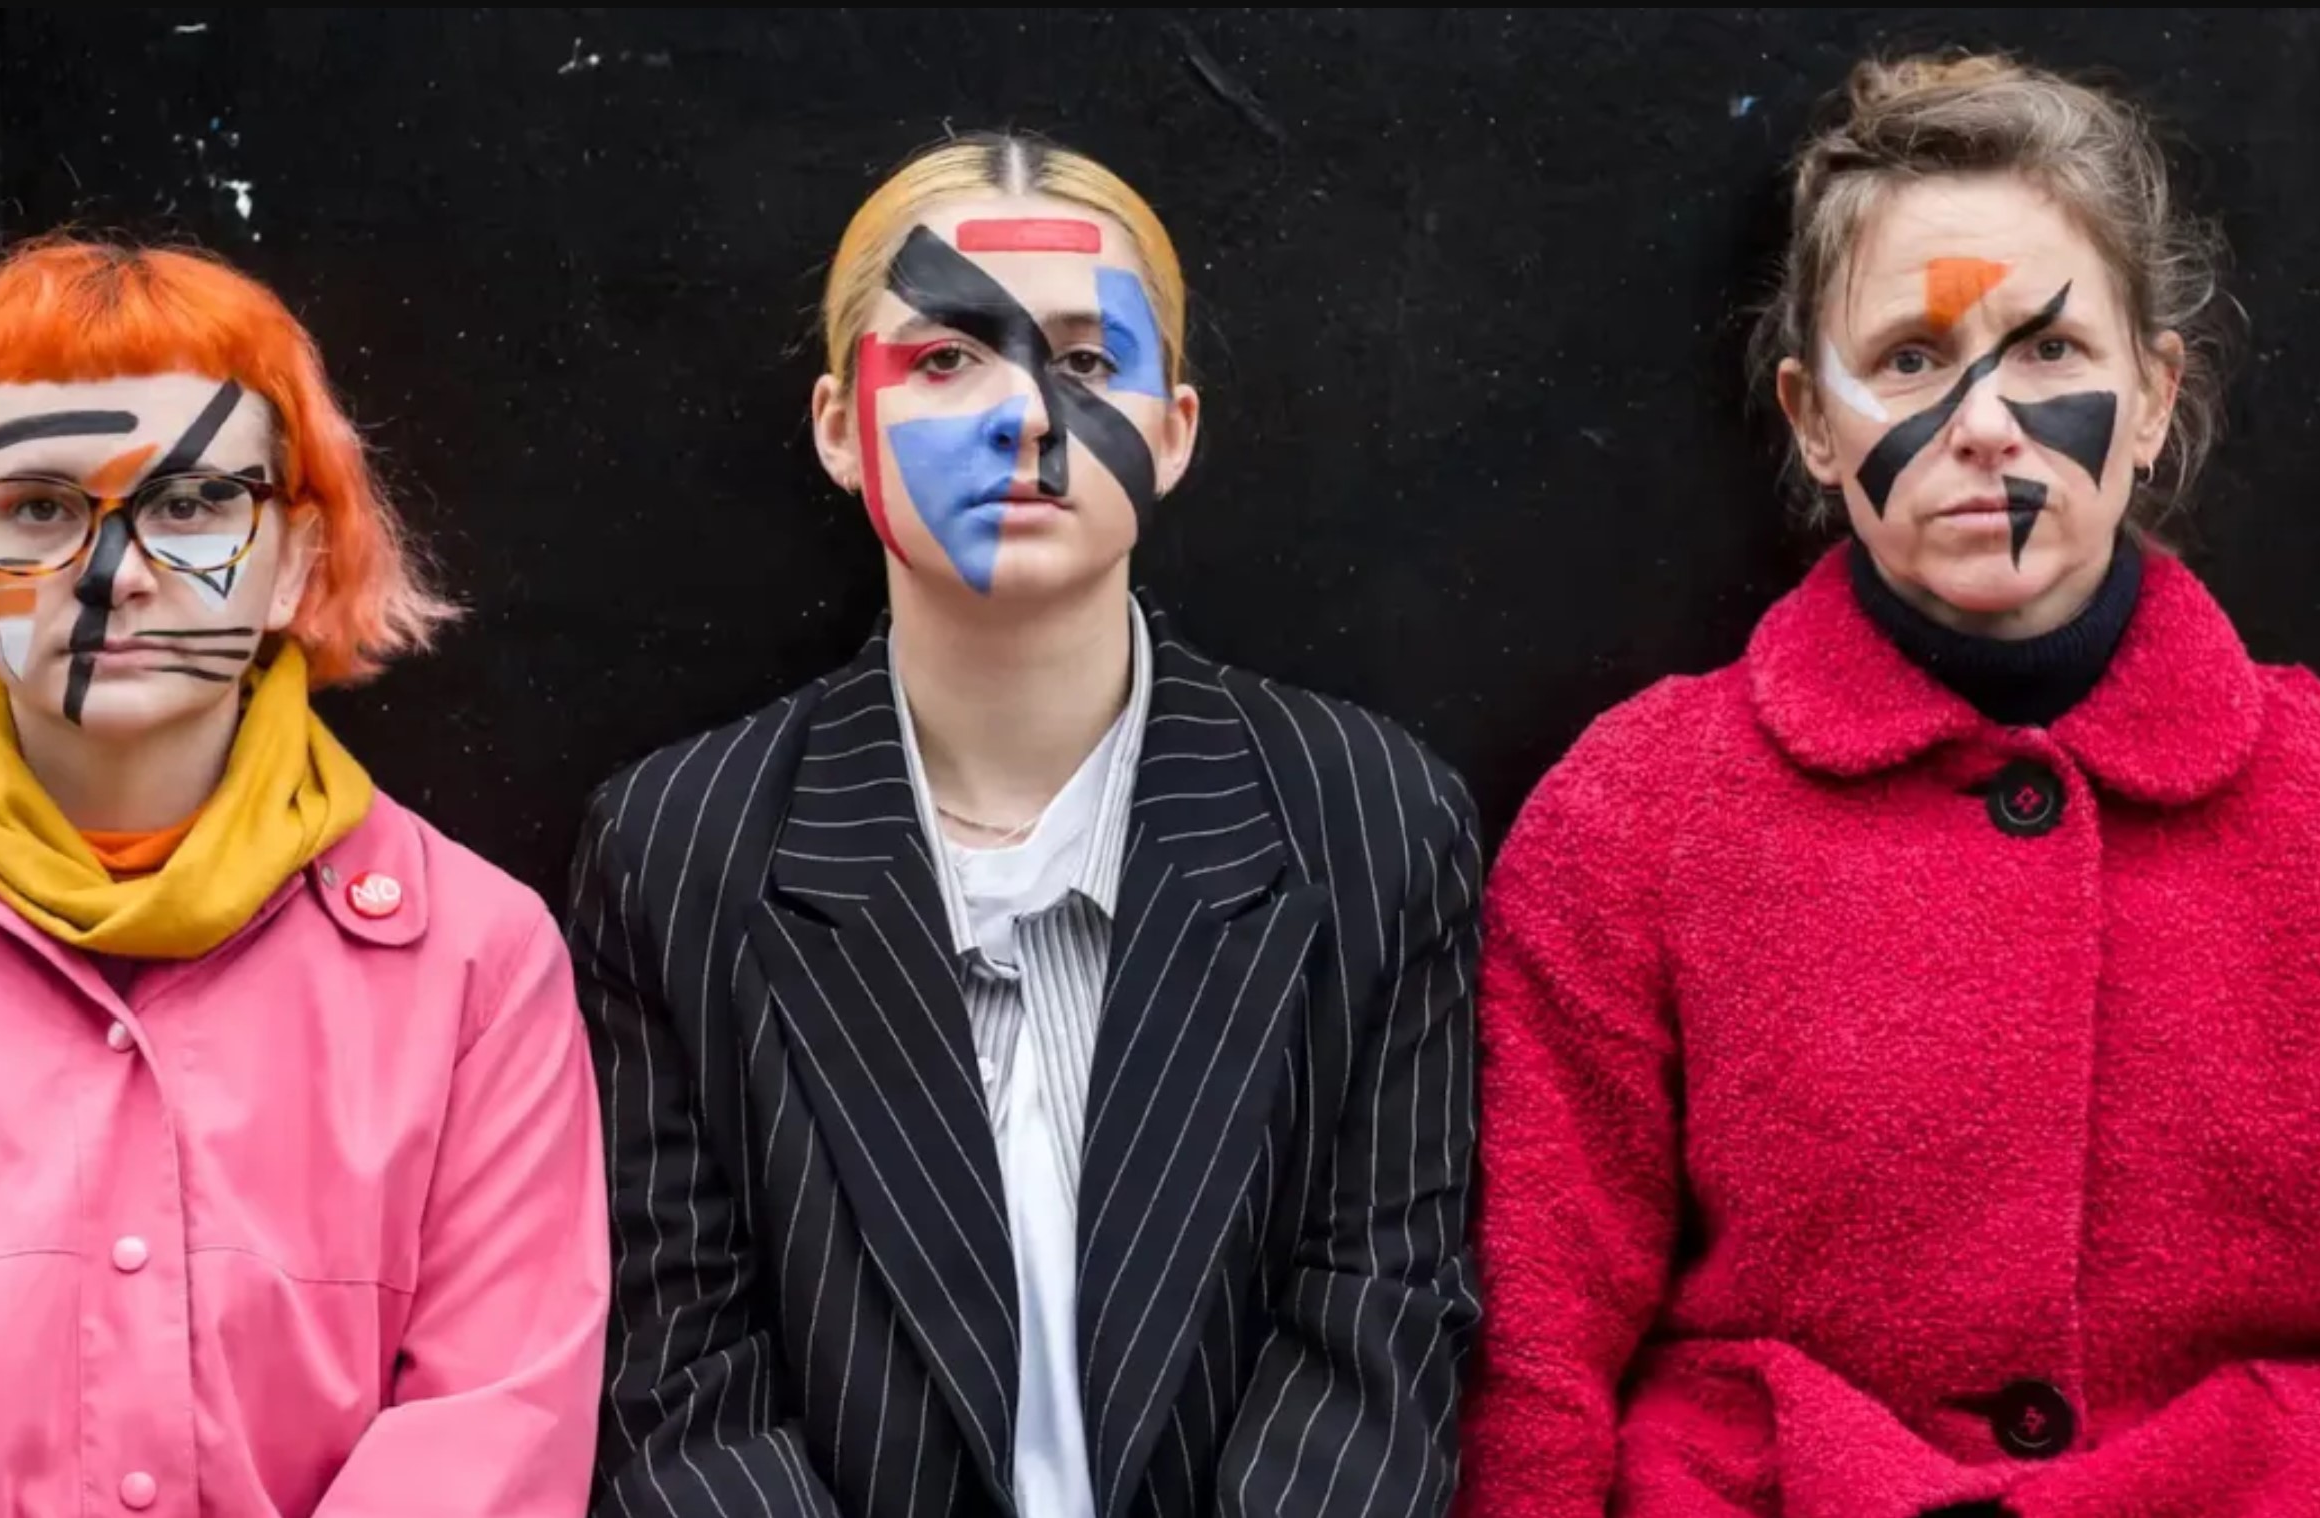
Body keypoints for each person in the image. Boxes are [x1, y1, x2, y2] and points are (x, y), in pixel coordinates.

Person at [571, 133, 1481, 1518]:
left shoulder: (1368, 821)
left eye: (1086, 359)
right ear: (836, 425)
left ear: (1174, 427)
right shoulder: (677, 849)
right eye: (947, 359)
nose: (1025, 415)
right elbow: (683, 1380)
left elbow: (1377, 1333)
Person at [1462, 53, 2317, 1518]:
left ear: (2157, 393)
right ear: (1809, 419)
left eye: (2048, 351)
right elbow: (1534, 1356)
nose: (1987, 422)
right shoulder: (1636, 815)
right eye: (1912, 360)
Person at [0, 239, 608, 1516]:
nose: (117, 573)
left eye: (195, 502)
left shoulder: (475, 960)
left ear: (299, 558)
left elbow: (494, 1430)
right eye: (38, 508)